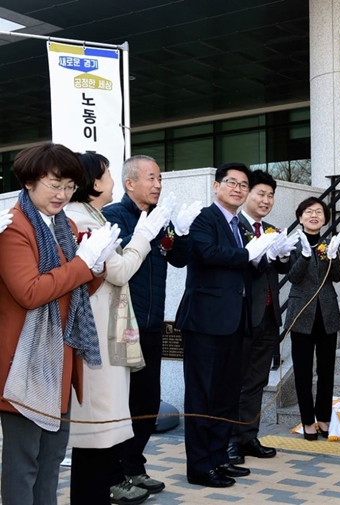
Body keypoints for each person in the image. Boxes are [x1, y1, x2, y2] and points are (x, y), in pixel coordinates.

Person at [0, 143, 119, 505]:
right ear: (30, 181)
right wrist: (82, 264)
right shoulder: (13, 227)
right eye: (54, 184)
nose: (63, 194)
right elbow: (30, 292)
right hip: (24, 362)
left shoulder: (64, 223)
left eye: (69, 185)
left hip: (60, 358)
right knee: (24, 464)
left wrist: (95, 264)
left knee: (52, 459)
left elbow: (76, 286)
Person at [65, 153, 169, 505]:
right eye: (107, 174)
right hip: (98, 334)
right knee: (98, 432)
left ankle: (107, 485)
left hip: (115, 331)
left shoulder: (91, 215)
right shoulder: (84, 219)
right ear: (95, 183)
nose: (110, 180)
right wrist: (142, 236)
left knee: (112, 423)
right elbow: (119, 271)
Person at [175, 162, 281, 488]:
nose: (237, 189)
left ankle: (220, 458)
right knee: (201, 396)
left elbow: (245, 267)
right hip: (205, 322)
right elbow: (207, 253)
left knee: (225, 396)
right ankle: (199, 466)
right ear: (216, 186)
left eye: (242, 185)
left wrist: (268, 255)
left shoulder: (239, 225)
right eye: (231, 183)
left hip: (235, 322)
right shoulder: (204, 219)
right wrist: (248, 254)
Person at [103, 155, 201, 495]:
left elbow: (178, 258)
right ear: (130, 183)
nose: (158, 185)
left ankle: (134, 466)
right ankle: (115, 476)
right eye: (151, 178)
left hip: (152, 324)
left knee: (147, 402)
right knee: (121, 405)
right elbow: (119, 263)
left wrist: (182, 230)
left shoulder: (160, 218)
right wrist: (147, 231)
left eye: (160, 179)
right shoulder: (114, 216)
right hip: (122, 326)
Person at [228, 169, 298, 465]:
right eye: (261, 193)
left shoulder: (271, 229)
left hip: (269, 316)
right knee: (236, 381)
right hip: (242, 316)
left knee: (257, 381)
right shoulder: (234, 227)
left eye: (270, 195)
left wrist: (282, 255)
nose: (266, 200)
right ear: (246, 195)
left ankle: (248, 436)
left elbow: (283, 269)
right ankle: (230, 440)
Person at [285, 197, 340, 440]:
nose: (314, 215)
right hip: (302, 314)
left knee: (326, 370)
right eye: (308, 212)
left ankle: (324, 419)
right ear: (300, 218)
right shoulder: (293, 243)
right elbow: (293, 277)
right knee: (302, 371)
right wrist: (306, 257)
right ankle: (308, 421)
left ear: (325, 219)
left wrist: (331, 257)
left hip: (327, 314)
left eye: (319, 212)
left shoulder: (331, 243)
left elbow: (338, 277)